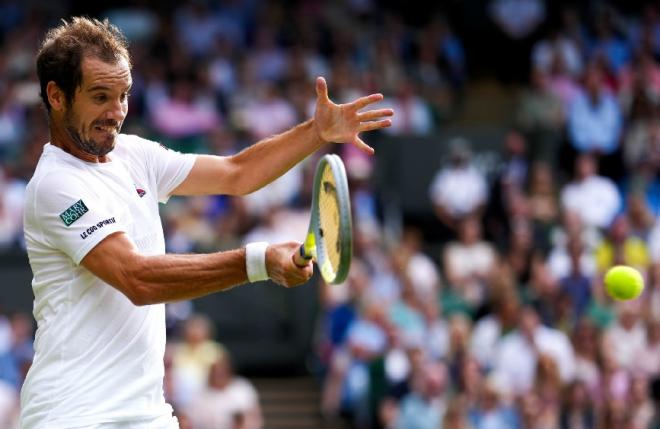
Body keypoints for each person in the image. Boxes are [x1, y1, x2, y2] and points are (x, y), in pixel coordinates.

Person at [20, 17, 393, 428]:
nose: (116, 112)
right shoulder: (55, 184)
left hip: (145, 413)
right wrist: (258, 261)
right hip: (72, 416)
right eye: (100, 96)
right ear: (56, 96)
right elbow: (138, 279)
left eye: (124, 95)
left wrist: (317, 131)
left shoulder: (133, 155)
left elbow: (238, 173)